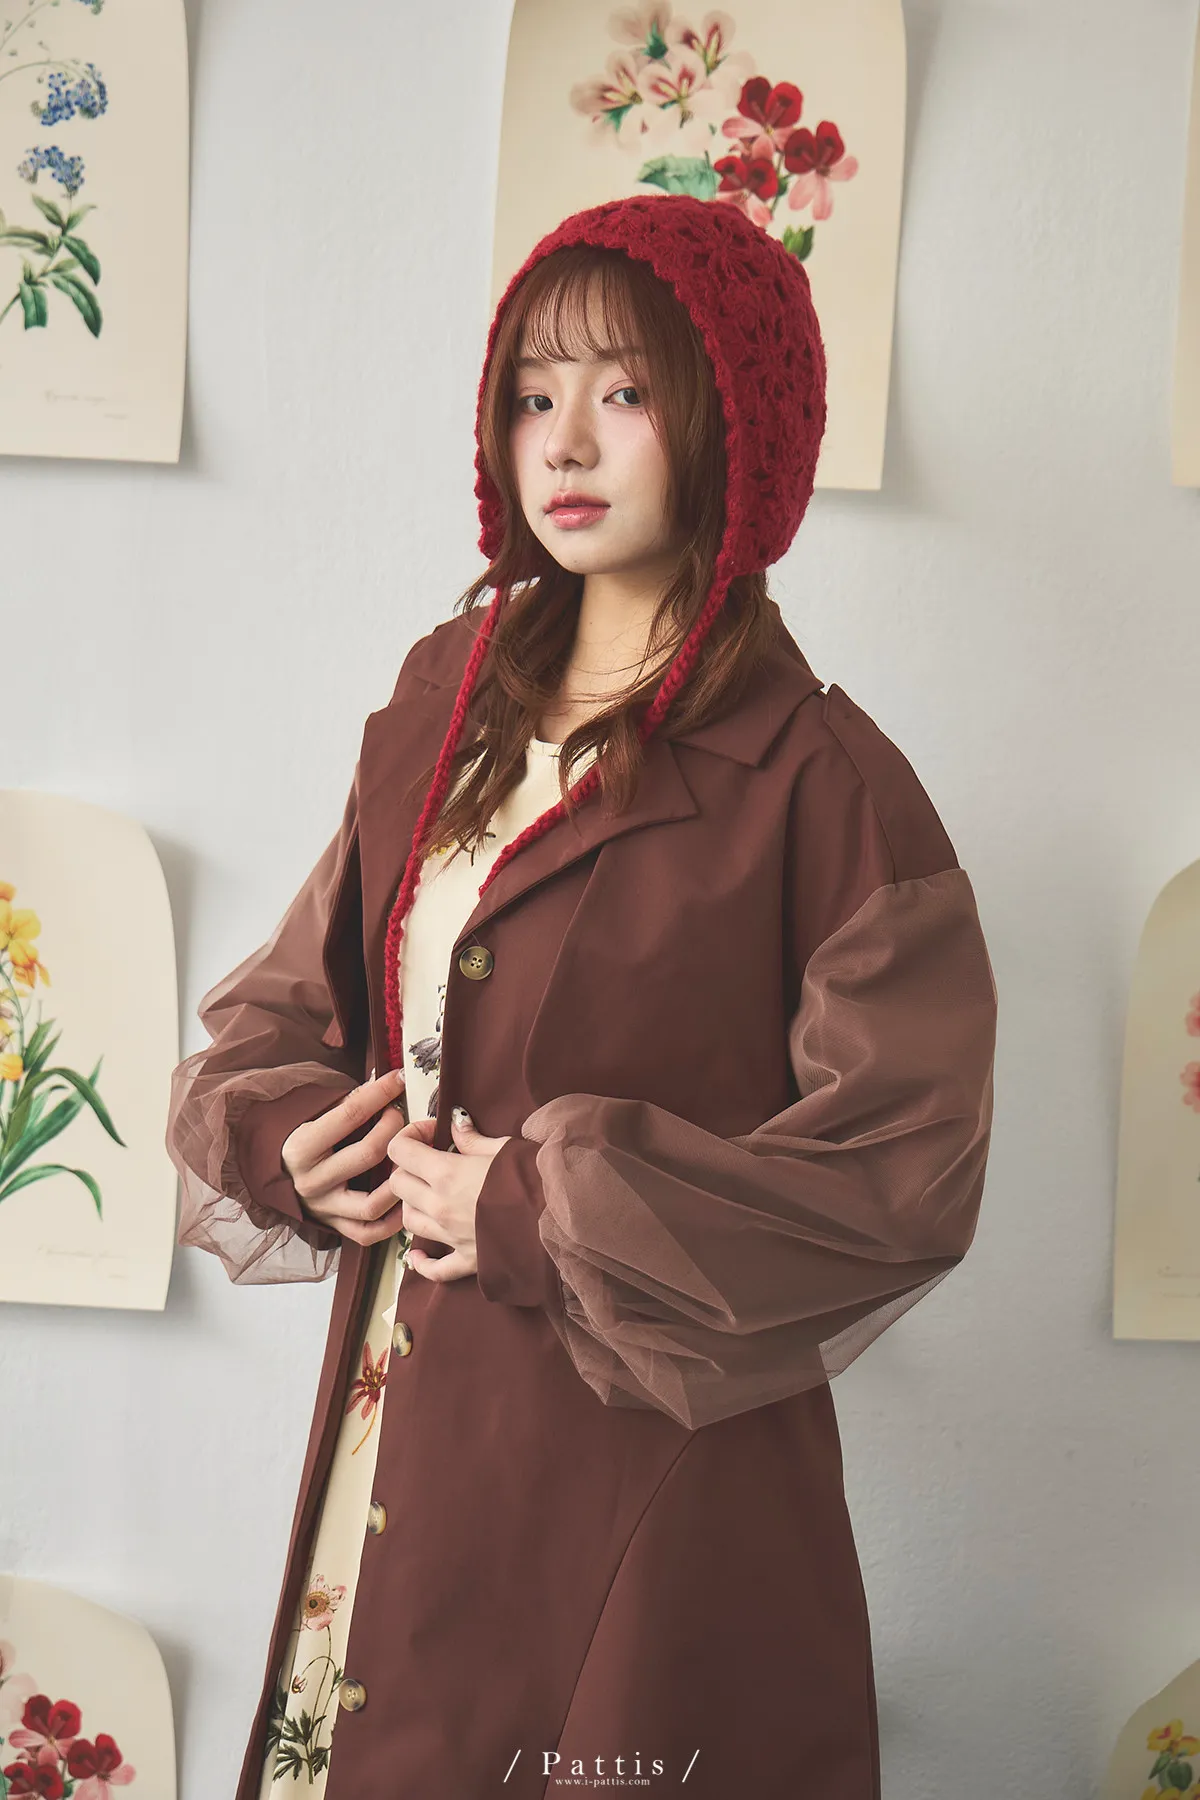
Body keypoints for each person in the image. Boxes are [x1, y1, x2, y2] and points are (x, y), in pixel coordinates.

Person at [165, 193, 999, 1800]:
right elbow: (290, 1012)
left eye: (625, 393)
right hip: (396, 1450)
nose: (565, 442)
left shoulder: (823, 782)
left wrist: (548, 1204)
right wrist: (287, 1140)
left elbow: (901, 1181)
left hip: (651, 1498)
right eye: (535, 395)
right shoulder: (447, 703)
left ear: (732, 422)